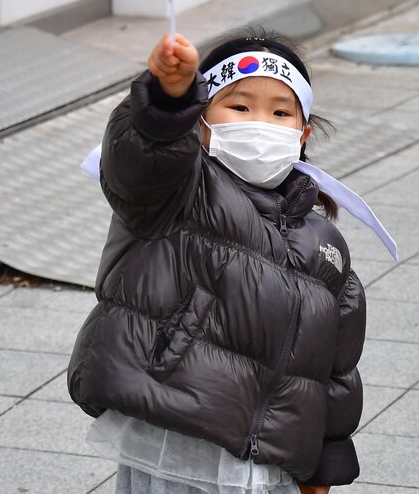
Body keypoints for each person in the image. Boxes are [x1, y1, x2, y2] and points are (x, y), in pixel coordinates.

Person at [69, 30, 367, 494]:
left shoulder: (323, 243)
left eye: (281, 112)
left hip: (268, 464)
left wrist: (324, 465)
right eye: (240, 106)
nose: (260, 123)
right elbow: (143, 157)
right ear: (201, 119)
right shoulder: (177, 192)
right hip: (175, 437)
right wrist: (167, 103)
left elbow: (333, 369)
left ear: (303, 132)